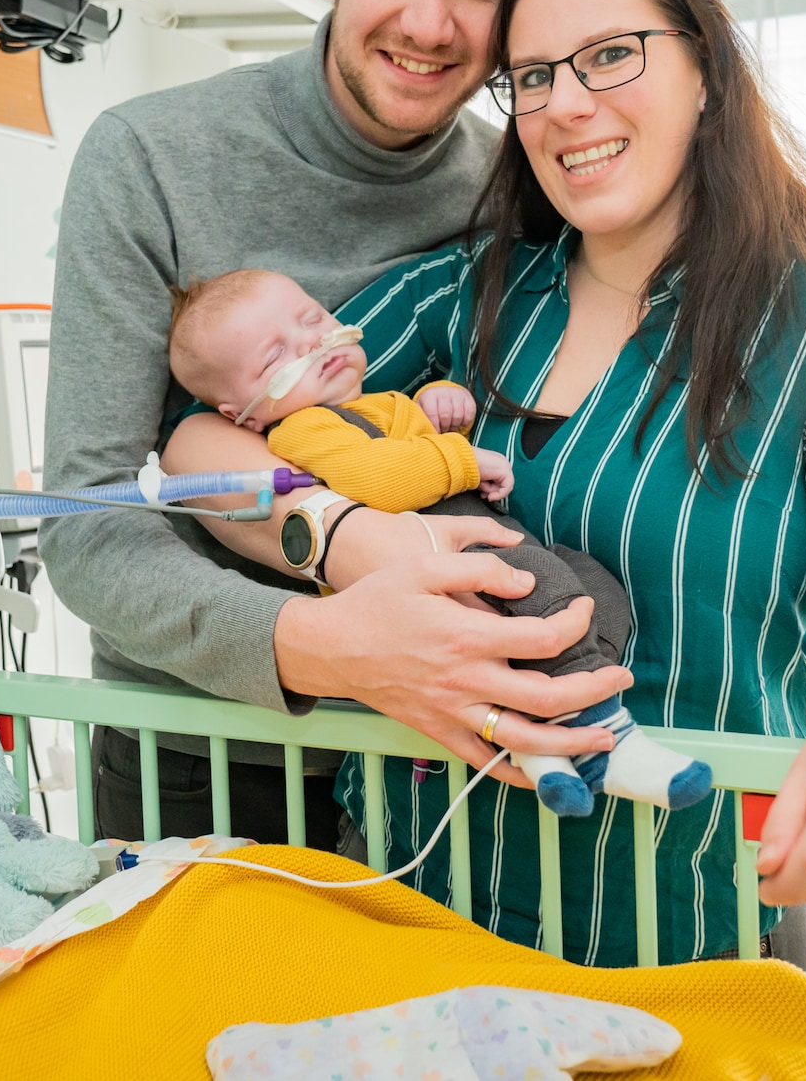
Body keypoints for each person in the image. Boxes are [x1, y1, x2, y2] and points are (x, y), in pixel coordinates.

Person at [166, 0, 806, 966]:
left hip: (682, 931)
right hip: (406, 898)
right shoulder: (470, 294)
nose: (566, 104)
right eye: (532, 76)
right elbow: (197, 452)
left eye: (611, 55)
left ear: (708, 67)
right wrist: (347, 533)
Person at [40, 0, 631, 851]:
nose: (429, 20)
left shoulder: (523, 187)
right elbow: (87, 530)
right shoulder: (147, 162)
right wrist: (330, 637)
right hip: (196, 751)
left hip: (450, 753)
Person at [165, 267, 713, 818]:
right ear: (246, 416)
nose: (310, 342)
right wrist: (462, 458)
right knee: (544, 588)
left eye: (313, 318)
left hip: (486, 540)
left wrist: (437, 403)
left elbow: (404, 436)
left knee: (593, 587)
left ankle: (542, 737)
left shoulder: (380, 405)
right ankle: (607, 741)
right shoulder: (301, 431)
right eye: (275, 357)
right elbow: (378, 478)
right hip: (439, 562)